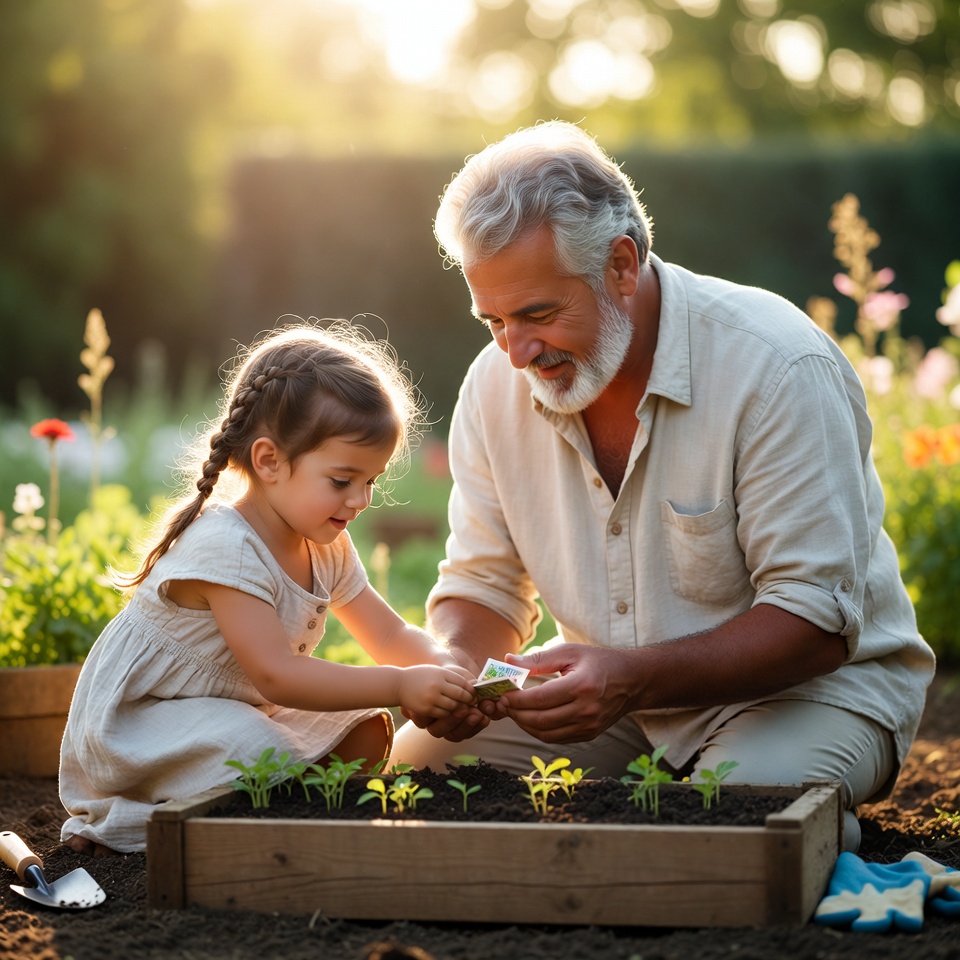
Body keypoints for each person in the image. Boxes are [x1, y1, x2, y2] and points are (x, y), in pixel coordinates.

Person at [391, 121, 936, 851]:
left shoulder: (775, 367)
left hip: (806, 693)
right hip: (613, 697)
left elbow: (813, 623)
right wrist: (459, 668)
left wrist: (630, 678)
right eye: (491, 320)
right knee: (417, 768)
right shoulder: (494, 387)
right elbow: (482, 588)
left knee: (733, 818)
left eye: (538, 315)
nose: (516, 351)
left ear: (622, 264)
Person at [60, 322, 476, 854]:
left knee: (363, 730)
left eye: (371, 481)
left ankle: (287, 810)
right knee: (260, 748)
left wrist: (451, 672)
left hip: (226, 709)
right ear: (269, 461)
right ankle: (128, 823)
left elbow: (389, 632)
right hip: (142, 725)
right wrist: (399, 686)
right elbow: (277, 675)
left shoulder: (324, 545)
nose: (362, 500)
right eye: (342, 481)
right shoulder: (226, 544)